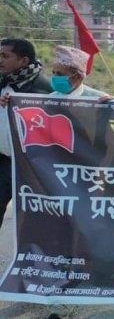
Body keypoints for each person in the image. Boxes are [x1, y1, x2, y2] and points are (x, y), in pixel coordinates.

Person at [0, 38, 52, 229]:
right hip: (3, 160)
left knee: (35, 216)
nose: (0, 60)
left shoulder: (44, 88)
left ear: (23, 60)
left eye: (5, 56)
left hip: (32, 163)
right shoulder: (2, 82)